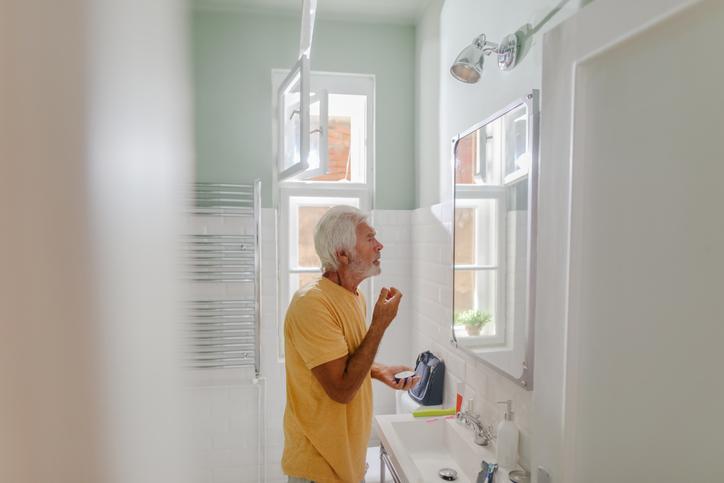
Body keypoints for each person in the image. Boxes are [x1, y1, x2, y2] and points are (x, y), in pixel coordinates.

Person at [282, 205, 419, 483]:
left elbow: (344, 361)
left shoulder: (354, 296)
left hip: (346, 462)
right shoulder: (312, 303)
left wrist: (379, 370)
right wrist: (379, 325)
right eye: (370, 239)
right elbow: (341, 389)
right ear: (342, 254)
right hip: (319, 467)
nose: (379, 246)